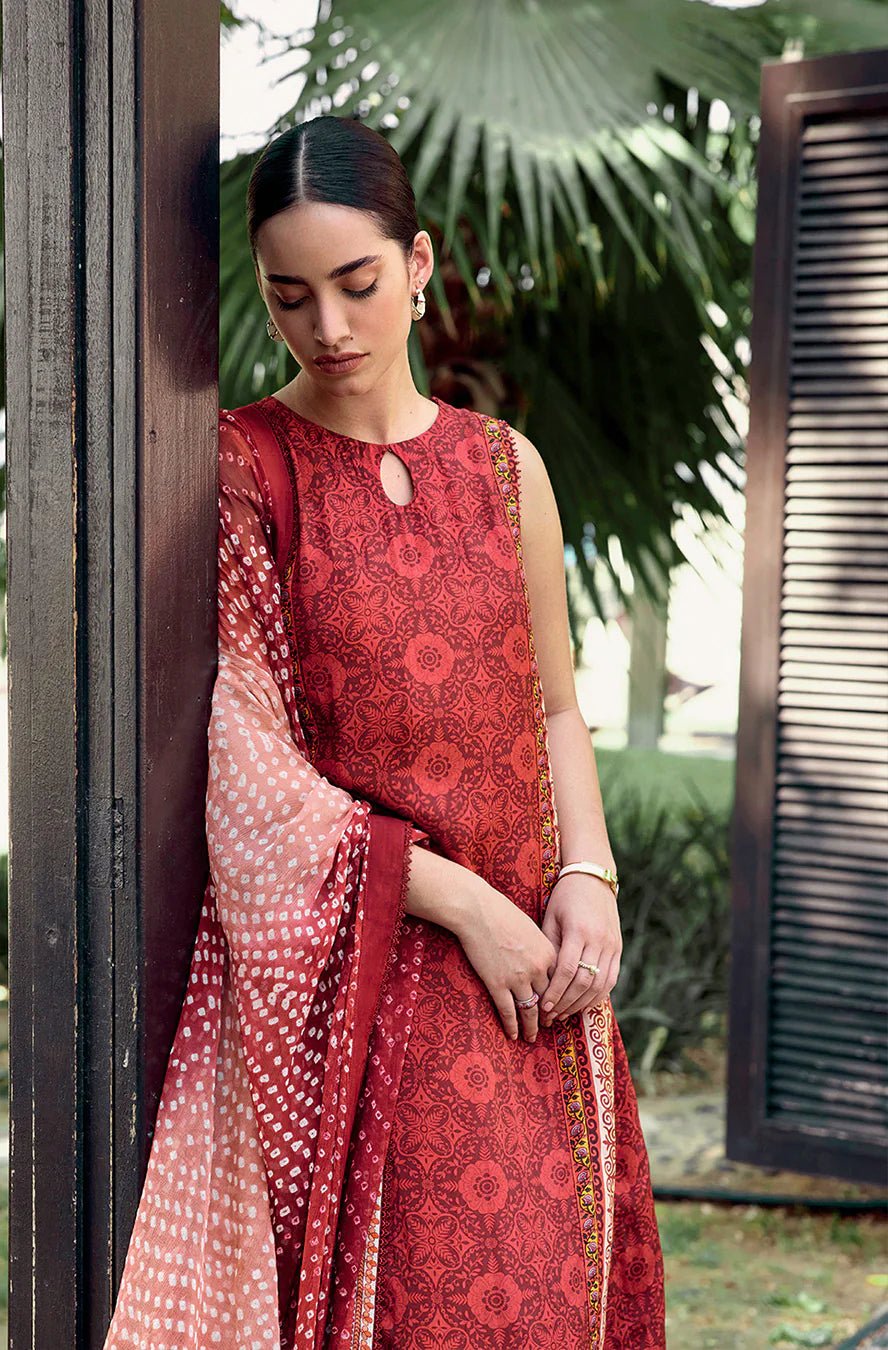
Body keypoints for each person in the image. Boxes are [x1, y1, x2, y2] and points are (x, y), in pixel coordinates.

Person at [104, 113, 665, 1350]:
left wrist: (589, 879)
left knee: (554, 1301)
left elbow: (556, 705)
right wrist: (463, 905)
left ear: (418, 266)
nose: (331, 328)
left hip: (545, 972)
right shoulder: (246, 465)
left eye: (358, 284)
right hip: (382, 974)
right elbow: (247, 765)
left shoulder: (506, 469)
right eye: (289, 296)